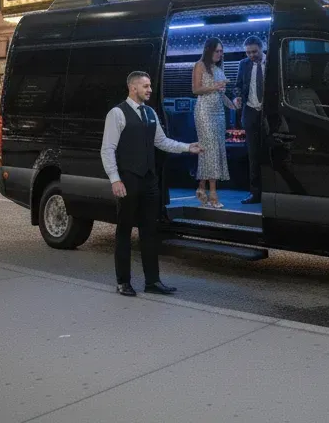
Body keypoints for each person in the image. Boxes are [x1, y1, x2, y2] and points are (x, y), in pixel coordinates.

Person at [100, 70, 201, 297]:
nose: (150, 90)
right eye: (146, 86)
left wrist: (187, 147)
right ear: (133, 87)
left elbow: (162, 142)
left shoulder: (150, 113)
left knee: (150, 231)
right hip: (127, 179)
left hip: (148, 180)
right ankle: (123, 282)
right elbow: (107, 149)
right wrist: (115, 179)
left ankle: (152, 281)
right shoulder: (117, 113)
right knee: (124, 231)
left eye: (149, 86)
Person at [192, 36, 237, 209]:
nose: (220, 54)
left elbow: (221, 94)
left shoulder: (218, 68)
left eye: (221, 51)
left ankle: (201, 188)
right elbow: (196, 89)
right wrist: (215, 86)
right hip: (204, 112)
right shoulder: (200, 65)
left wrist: (233, 105)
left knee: (214, 149)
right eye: (217, 51)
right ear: (209, 50)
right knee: (209, 150)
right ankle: (213, 195)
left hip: (219, 112)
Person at [233, 35, 265, 205]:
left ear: (262, 48)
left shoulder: (271, 62)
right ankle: (255, 193)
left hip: (269, 113)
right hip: (251, 111)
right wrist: (237, 97)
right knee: (253, 156)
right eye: (248, 53)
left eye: (254, 51)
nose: (251, 55)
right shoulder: (243, 64)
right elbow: (237, 86)